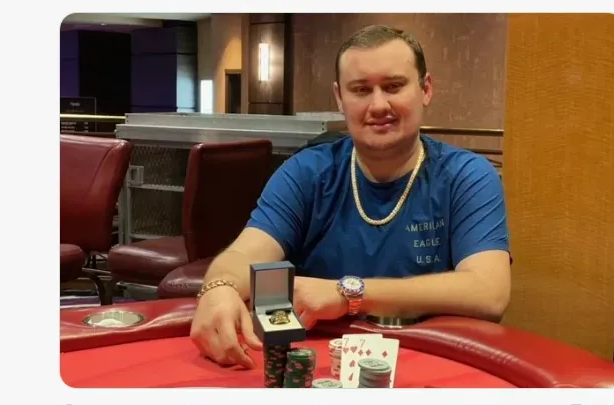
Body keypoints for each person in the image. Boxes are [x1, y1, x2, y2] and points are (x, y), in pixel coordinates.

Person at [190, 25, 511, 368]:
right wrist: (219, 288)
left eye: (394, 86)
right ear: (340, 98)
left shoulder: (467, 176)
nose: (378, 105)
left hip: (433, 364)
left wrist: (347, 294)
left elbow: (488, 292)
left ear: (425, 89)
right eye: (361, 90)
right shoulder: (306, 172)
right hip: (324, 366)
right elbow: (245, 253)